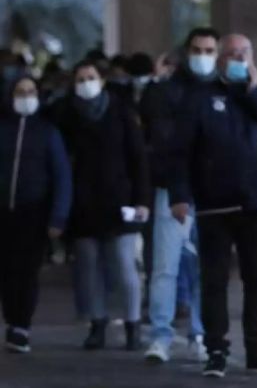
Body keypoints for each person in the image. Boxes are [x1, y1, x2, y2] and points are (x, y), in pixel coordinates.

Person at [168, 33, 257, 378]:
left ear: (252, 58)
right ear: (220, 59)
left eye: (243, 54)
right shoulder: (199, 99)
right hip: (214, 206)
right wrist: (179, 195)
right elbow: (179, 153)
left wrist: (254, 90)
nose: (237, 59)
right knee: (215, 281)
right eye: (231, 53)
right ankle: (216, 350)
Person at [55, 60, 152, 351]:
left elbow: (138, 160)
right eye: (81, 78)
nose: (86, 83)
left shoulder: (121, 112)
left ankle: (133, 324)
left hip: (119, 202)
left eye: (91, 77)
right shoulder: (66, 116)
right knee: (89, 268)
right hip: (83, 206)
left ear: (102, 80)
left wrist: (142, 201)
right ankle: (97, 324)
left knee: (125, 266)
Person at [141, 27, 219, 364]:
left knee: (205, 268)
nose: (203, 56)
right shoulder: (169, 89)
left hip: (213, 191)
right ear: (186, 52)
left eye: (209, 50)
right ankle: (161, 335)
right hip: (172, 189)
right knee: (165, 267)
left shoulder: (223, 91)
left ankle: (200, 334)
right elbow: (155, 130)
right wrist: (156, 84)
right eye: (197, 50)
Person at [0, 76, 72, 353]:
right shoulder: (3, 129)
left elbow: (62, 176)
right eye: (20, 92)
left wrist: (58, 216)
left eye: (30, 92)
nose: (25, 97)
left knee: (27, 271)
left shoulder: (48, 132)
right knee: (7, 270)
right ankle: (11, 320)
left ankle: (21, 326)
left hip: (34, 212)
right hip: (4, 213)